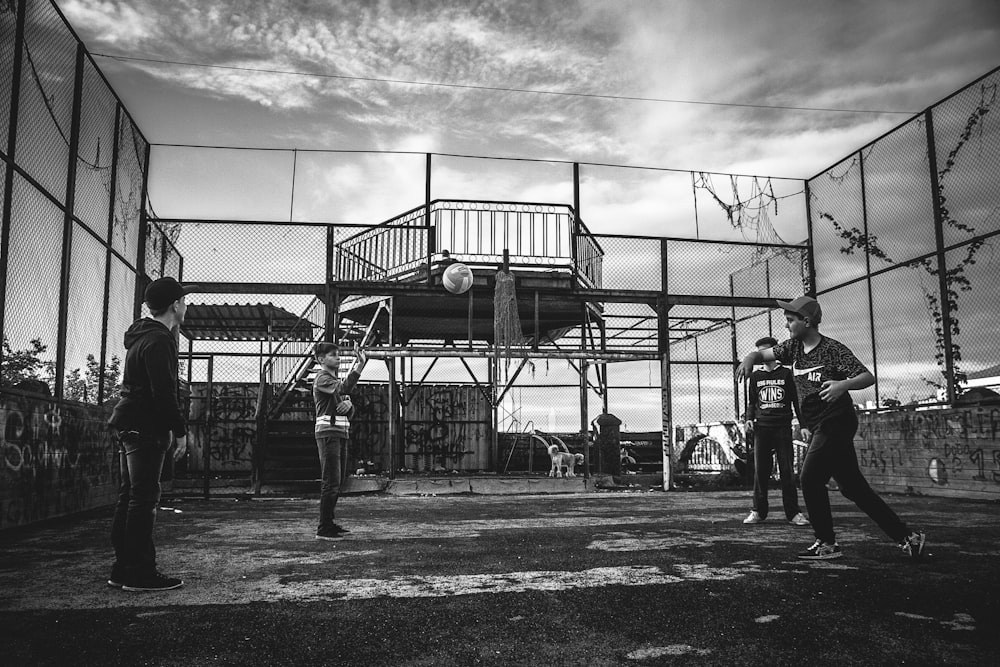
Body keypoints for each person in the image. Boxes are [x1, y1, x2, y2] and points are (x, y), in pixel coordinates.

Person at [736, 296, 926, 561]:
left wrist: (842, 385)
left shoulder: (833, 350)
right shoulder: (792, 348)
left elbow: (867, 376)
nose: (788, 325)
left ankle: (827, 543)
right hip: (820, 426)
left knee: (810, 478)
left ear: (808, 321)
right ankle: (908, 538)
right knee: (853, 489)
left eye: (791, 320)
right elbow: (760, 354)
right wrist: (749, 359)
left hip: (837, 421)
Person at [107, 276, 198, 590]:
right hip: (144, 424)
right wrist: (180, 431)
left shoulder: (143, 336)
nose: (186, 306)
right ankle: (139, 572)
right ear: (174, 305)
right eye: (184, 301)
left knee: (130, 497)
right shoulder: (160, 340)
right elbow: (164, 393)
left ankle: (123, 568)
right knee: (143, 499)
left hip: (129, 420)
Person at [743, 336, 809, 527]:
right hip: (762, 429)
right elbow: (752, 402)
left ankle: (793, 513)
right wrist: (748, 419)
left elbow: (797, 401)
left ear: (775, 351)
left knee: (787, 471)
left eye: (765, 351)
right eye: (759, 352)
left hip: (782, 427)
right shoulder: (755, 376)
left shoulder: (787, 374)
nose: (762, 356)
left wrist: (803, 425)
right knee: (760, 471)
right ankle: (758, 511)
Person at [313, 341, 367, 540]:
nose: (338, 357)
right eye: (333, 355)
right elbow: (344, 388)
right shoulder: (322, 378)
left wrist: (349, 406)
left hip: (340, 433)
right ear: (321, 359)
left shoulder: (333, 383)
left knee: (338, 481)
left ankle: (329, 523)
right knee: (331, 482)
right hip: (328, 435)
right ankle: (323, 528)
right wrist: (360, 366)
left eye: (338, 354)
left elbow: (346, 410)